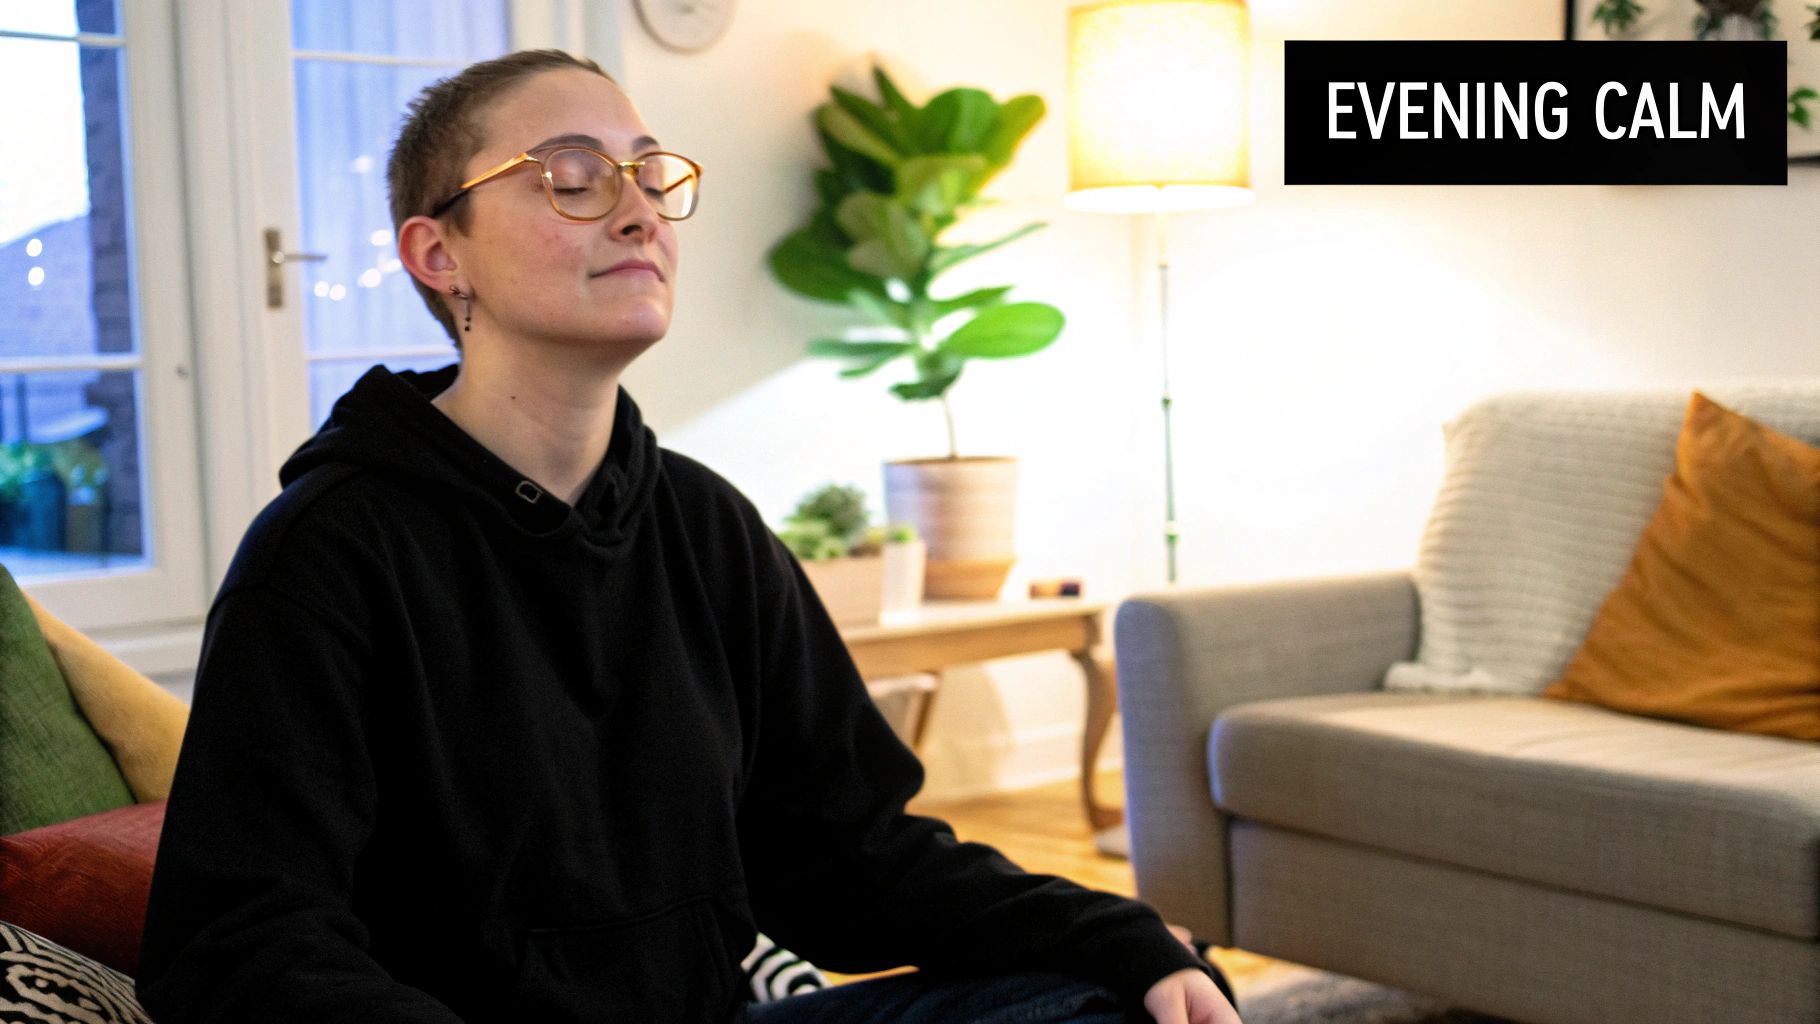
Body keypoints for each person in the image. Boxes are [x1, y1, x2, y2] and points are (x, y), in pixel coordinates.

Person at [135, 49, 1240, 1024]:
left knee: (1124, 996)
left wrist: (1114, 933)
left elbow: (848, 857)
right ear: (439, 254)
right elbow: (239, 946)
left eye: (651, 175)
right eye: (570, 178)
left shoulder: (706, 526)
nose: (639, 213)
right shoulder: (327, 553)